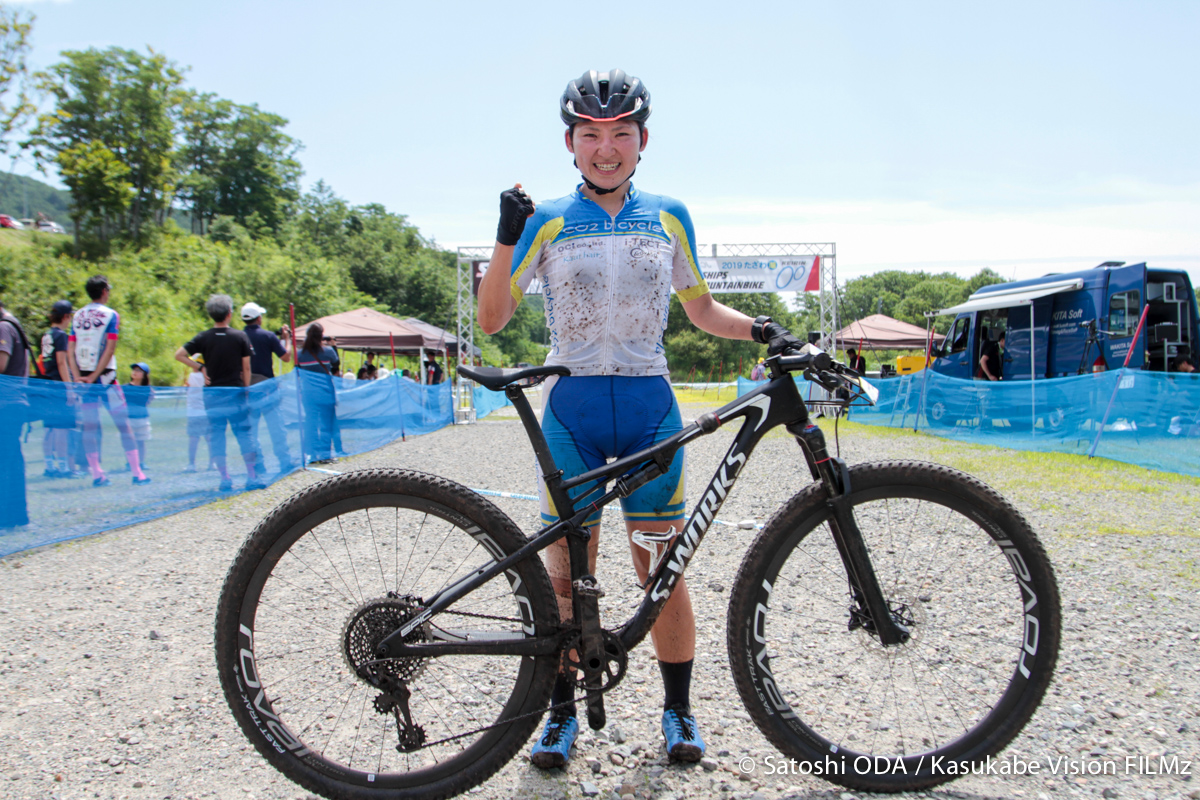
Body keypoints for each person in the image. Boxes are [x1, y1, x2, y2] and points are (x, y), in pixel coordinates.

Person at [477, 68, 803, 768]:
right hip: (574, 413)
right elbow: (493, 318)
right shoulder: (548, 220)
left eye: (620, 132)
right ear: (570, 143)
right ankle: (559, 714)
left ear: (642, 138)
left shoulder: (670, 214)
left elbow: (702, 309)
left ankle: (678, 711)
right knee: (565, 580)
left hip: (652, 413)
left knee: (661, 573)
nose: (606, 147)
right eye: (591, 134)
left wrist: (762, 329)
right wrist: (504, 240)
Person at [175, 295, 263, 492]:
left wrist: (200, 367)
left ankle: (225, 478)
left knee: (217, 436)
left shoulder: (203, 337)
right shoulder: (240, 336)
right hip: (236, 392)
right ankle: (251, 475)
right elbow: (246, 368)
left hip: (213, 394)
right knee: (244, 434)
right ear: (230, 314)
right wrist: (246, 389)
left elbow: (179, 354)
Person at [68, 275, 149, 487]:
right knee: (124, 425)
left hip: (83, 379)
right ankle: (137, 472)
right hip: (106, 378)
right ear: (104, 291)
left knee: (89, 426)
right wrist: (95, 376)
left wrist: (78, 377)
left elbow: (70, 349)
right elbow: (110, 347)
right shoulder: (111, 315)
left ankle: (97, 473)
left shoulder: (77, 316)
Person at [240, 301, 296, 474]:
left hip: (247, 389)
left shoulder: (238, 336)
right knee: (276, 428)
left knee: (252, 430)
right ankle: (284, 462)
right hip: (267, 389)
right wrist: (287, 339)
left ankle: (258, 465)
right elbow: (286, 357)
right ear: (258, 318)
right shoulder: (268, 336)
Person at [0, 297, 32, 528]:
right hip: (15, 401)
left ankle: (8, 515)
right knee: (12, 459)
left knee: (6, 460)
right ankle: (16, 514)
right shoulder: (15, 327)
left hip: (6, 403)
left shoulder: (3, 327)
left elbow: (1, 365)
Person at [39, 300, 78, 478]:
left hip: (47, 385)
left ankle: (49, 465)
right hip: (58, 386)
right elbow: (62, 362)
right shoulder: (61, 335)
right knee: (61, 428)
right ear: (65, 316)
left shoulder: (46, 334)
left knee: (49, 428)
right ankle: (64, 468)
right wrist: (69, 388)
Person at [295, 323, 338, 464]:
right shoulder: (328, 351)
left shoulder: (299, 354)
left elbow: (297, 371)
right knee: (326, 422)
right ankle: (325, 454)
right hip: (326, 392)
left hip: (308, 393)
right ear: (321, 336)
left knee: (311, 423)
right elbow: (336, 364)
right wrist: (333, 345)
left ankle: (312, 455)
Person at [183, 359, 213, 473]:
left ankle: (192, 464)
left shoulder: (192, 376)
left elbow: (188, 390)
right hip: (207, 412)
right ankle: (212, 463)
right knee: (209, 439)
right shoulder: (209, 376)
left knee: (193, 438)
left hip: (193, 413)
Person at [125, 363, 154, 468]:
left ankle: (141, 462)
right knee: (129, 442)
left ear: (144, 375)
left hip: (142, 417)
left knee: (141, 441)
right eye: (134, 370)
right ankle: (130, 462)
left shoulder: (147, 389)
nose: (135, 372)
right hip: (128, 418)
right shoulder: (125, 387)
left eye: (139, 370)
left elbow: (149, 400)